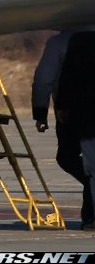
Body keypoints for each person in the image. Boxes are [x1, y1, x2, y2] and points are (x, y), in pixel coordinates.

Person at [34, 29, 95, 228]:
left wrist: (40, 112)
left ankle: (92, 215)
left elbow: (44, 79)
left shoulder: (59, 42)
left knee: (71, 159)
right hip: (78, 112)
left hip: (74, 113)